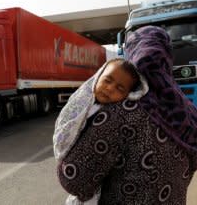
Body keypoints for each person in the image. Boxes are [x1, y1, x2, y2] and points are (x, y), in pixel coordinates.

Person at [56, 26, 197, 204]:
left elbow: (75, 181)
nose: (112, 88)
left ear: (132, 56)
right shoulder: (189, 112)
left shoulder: (123, 110)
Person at [53, 58, 149, 204]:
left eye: (120, 88)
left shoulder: (115, 115)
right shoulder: (81, 101)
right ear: (98, 77)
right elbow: (65, 124)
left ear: (128, 95)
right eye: (107, 80)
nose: (110, 88)